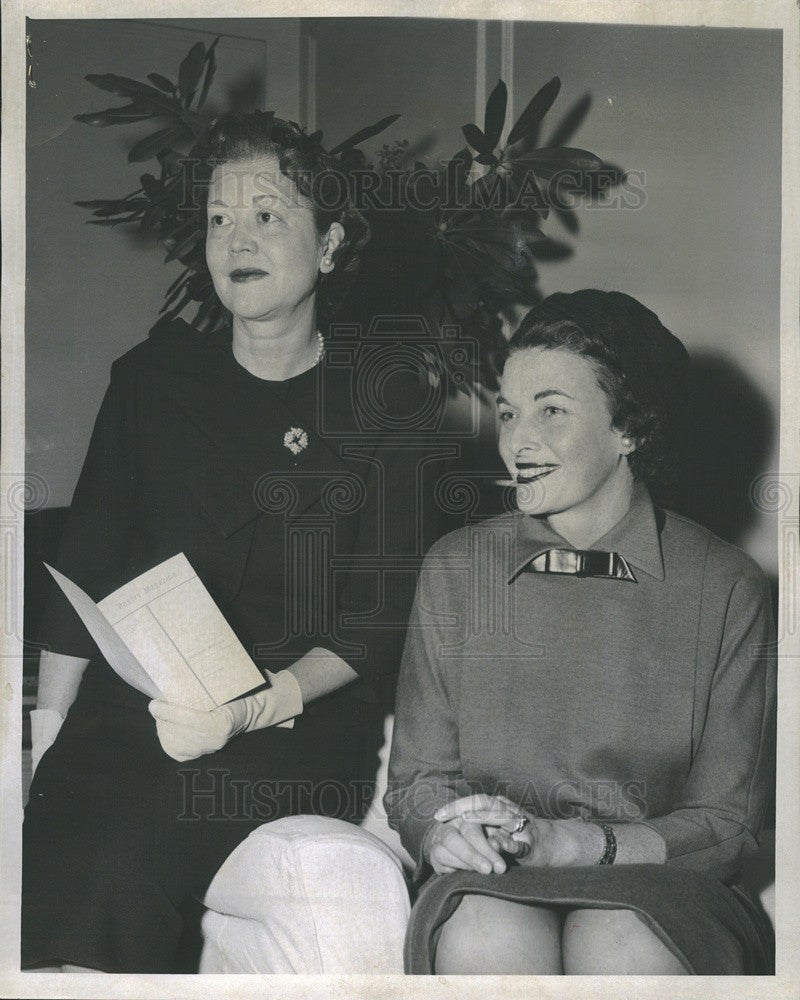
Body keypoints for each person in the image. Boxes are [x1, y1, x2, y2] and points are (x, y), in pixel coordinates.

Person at [23, 113, 433, 973]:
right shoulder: (151, 381)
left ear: (329, 245)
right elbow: (84, 563)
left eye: (268, 216)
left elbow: (375, 617)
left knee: (127, 846)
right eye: (218, 219)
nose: (234, 241)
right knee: (69, 822)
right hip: (141, 711)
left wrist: (255, 705)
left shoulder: (383, 404)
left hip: (296, 726)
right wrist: (48, 731)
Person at [385, 289, 776, 975]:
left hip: (663, 887)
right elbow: (419, 779)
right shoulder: (454, 569)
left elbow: (725, 821)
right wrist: (446, 834)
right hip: (491, 881)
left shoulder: (728, 587)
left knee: (622, 941)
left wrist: (574, 844)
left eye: (553, 412)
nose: (518, 442)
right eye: (508, 413)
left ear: (630, 428)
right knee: (483, 935)